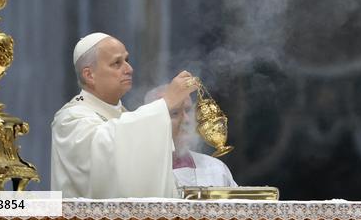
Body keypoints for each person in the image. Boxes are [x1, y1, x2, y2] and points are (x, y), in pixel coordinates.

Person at [50, 32, 197, 198]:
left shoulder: (125, 115)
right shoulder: (69, 119)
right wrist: (166, 103)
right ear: (89, 75)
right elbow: (104, 152)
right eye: (116, 63)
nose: (129, 69)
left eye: (126, 60)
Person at [144, 85, 237, 188]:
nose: (186, 120)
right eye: (174, 113)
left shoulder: (215, 169)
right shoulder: (139, 172)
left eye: (188, 110)